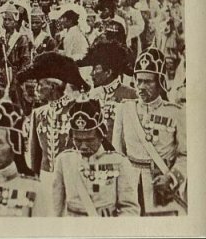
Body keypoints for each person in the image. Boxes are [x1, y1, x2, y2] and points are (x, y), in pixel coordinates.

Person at [112, 47, 186, 216]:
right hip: (129, 186)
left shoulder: (175, 113)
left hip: (161, 186)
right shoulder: (125, 109)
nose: (141, 87)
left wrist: (172, 178)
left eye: (148, 81)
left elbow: (186, 155)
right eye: (138, 81)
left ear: (160, 82)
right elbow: (117, 154)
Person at [52, 99, 140, 216]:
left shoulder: (119, 162)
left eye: (89, 140)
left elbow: (129, 208)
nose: (83, 146)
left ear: (101, 136)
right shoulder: (63, 161)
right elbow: (55, 207)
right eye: (77, 140)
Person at [21, 52, 91, 194]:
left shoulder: (78, 110)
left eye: (40, 84)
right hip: (46, 182)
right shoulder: (38, 114)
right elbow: (35, 158)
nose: (36, 89)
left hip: (74, 180)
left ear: (52, 86)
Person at [80, 41, 138, 140]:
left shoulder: (131, 94)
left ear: (108, 72)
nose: (91, 74)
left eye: (95, 69)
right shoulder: (92, 95)